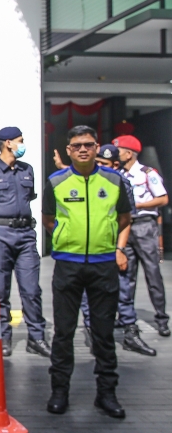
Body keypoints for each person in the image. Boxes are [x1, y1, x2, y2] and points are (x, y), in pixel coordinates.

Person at [43, 126, 132, 418]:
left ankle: (106, 394)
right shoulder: (55, 181)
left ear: (97, 148)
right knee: (63, 333)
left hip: (103, 264)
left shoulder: (114, 180)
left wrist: (118, 248)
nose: (83, 149)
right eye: (77, 145)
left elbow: (124, 217)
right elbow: (48, 219)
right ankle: (59, 391)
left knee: (104, 334)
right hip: (68, 265)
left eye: (89, 144)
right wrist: (65, 236)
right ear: (68, 150)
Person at [0, 127, 50, 358]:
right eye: (20, 141)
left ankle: (36, 338)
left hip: (25, 234)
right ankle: (2, 337)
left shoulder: (28, 170)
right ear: (8, 143)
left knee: (32, 290)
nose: (22, 144)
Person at [75, 145, 140, 354]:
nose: (100, 166)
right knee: (88, 296)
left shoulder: (120, 183)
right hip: (86, 248)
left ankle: (131, 333)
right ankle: (94, 337)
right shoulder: (85, 181)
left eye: (105, 164)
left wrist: (120, 248)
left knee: (123, 291)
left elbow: (126, 219)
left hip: (112, 246)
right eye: (99, 162)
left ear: (115, 165)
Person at [113, 135, 170, 339]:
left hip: (144, 226)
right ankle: (126, 315)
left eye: (119, 150)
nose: (116, 154)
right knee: (125, 274)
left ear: (129, 153)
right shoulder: (117, 174)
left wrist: (137, 205)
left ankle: (161, 318)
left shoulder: (147, 173)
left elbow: (162, 199)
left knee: (152, 273)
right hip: (125, 227)